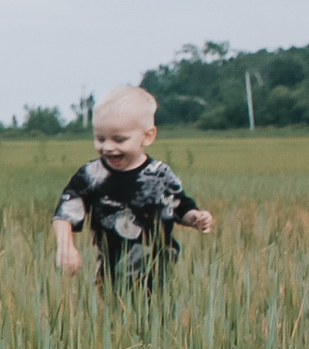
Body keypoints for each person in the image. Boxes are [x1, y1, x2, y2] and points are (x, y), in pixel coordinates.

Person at [51, 85, 213, 285]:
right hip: (110, 278)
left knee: (158, 315)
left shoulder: (160, 174)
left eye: (119, 139)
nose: (108, 147)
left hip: (160, 278)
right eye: (100, 138)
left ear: (148, 136)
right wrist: (66, 246)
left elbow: (179, 207)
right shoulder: (91, 175)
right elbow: (65, 213)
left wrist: (196, 218)